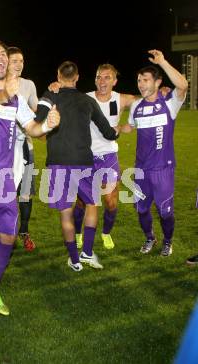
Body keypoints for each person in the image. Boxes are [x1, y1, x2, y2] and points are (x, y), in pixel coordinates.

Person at [0, 40, 60, 316]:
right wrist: (4, 92)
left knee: (8, 236)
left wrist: (47, 124)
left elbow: (31, 127)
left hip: (6, 175)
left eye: (3, 55)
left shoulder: (17, 98)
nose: (0, 58)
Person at [36, 61, 119, 272]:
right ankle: (88, 253)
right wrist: (117, 131)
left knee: (66, 213)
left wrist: (49, 91)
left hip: (58, 163)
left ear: (58, 75)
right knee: (92, 204)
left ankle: (74, 260)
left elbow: (37, 122)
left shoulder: (49, 96)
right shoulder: (87, 101)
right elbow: (107, 131)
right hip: (83, 162)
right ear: (77, 77)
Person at [121, 50, 188, 256]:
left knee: (165, 211)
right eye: (139, 80)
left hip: (163, 169)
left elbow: (183, 85)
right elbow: (131, 126)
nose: (141, 84)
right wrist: (116, 129)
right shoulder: (136, 107)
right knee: (141, 210)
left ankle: (168, 241)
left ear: (158, 82)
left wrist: (163, 62)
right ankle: (150, 238)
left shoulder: (169, 103)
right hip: (141, 169)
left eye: (145, 80)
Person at [71, 64, 137, 249]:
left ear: (114, 81)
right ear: (95, 79)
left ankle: (106, 233)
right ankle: (77, 234)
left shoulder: (122, 99)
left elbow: (147, 102)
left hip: (108, 156)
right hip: (85, 157)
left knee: (110, 201)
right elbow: (64, 102)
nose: (102, 81)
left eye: (107, 77)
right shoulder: (85, 99)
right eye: (99, 77)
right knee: (83, 202)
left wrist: (128, 126)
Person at [7, 46, 39, 252]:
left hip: (26, 147)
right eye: (15, 61)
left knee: (25, 194)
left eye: (21, 61)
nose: (19, 64)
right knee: (5, 195)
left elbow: (36, 111)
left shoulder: (28, 84)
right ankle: (6, 234)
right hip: (5, 152)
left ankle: (24, 231)